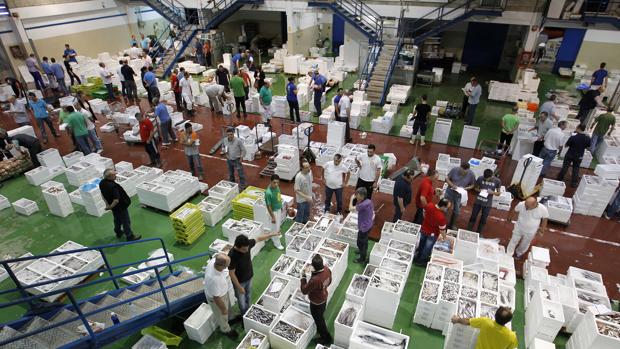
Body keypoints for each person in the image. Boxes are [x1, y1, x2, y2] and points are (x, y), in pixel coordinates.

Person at [228, 232, 279, 315]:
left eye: (247, 248)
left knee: (248, 295)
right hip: (240, 282)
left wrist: (271, 235)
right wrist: (239, 287)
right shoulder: (232, 256)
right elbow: (231, 273)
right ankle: (244, 315)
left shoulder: (247, 244)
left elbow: (258, 238)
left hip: (249, 277)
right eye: (244, 249)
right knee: (242, 302)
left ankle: (249, 312)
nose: (247, 250)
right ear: (237, 247)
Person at [203, 253, 238, 339]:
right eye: (227, 266)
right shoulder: (213, 279)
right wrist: (223, 309)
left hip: (222, 292)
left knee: (227, 309)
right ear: (221, 265)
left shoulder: (213, 262)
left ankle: (230, 318)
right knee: (221, 315)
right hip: (217, 299)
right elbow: (216, 298)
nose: (228, 267)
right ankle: (225, 329)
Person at [100, 169, 141, 241]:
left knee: (117, 219)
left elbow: (103, 195)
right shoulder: (113, 186)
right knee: (126, 221)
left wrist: (108, 205)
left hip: (114, 208)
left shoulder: (102, 183)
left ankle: (118, 232)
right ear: (109, 177)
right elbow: (116, 200)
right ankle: (129, 236)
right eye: (114, 175)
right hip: (120, 207)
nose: (116, 176)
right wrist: (110, 207)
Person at [300, 254, 333, 346]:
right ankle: (321, 331)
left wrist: (303, 277)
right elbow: (330, 281)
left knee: (319, 320)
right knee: (320, 316)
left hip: (316, 303)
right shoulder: (327, 269)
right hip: (324, 297)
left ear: (315, 267)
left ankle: (326, 338)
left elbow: (304, 290)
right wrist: (322, 287)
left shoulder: (315, 280)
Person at [450, 307, 518, 349]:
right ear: (508, 321)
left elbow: (468, 322)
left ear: (495, 314)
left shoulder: (485, 322)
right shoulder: (512, 336)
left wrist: (457, 319)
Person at [413, 198, 450, 266]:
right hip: (432, 234)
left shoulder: (429, 205)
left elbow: (424, 212)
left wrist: (427, 220)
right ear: (443, 206)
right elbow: (442, 230)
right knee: (427, 248)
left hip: (424, 229)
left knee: (421, 244)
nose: (447, 209)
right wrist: (444, 238)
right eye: (447, 208)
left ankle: (418, 256)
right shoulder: (441, 217)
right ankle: (421, 261)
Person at [467, 169, 501, 235]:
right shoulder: (480, 178)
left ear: (492, 176)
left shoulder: (497, 181)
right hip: (478, 201)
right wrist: (480, 190)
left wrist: (492, 192)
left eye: (487, 179)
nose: (485, 180)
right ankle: (469, 230)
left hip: (487, 204)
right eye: (484, 179)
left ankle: (479, 233)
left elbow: (498, 193)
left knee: (483, 218)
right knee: (473, 216)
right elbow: (475, 188)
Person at [445, 163, 476, 229]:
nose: (462, 174)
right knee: (445, 207)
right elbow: (447, 178)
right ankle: (442, 222)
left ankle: (452, 224)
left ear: (468, 170)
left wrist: (465, 188)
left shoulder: (471, 174)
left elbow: (473, 185)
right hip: (450, 192)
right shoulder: (454, 169)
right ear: (460, 168)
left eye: (464, 173)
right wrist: (452, 184)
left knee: (457, 210)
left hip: (460, 195)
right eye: (461, 171)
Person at [350, 187, 374, 264]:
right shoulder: (368, 201)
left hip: (364, 227)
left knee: (360, 243)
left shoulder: (363, 204)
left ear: (362, 196)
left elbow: (350, 208)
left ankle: (362, 258)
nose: (356, 196)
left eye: (357, 195)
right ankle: (362, 251)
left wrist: (351, 199)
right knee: (365, 240)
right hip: (369, 225)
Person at [264, 174, 285, 250]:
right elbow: (268, 206)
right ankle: (277, 243)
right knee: (274, 228)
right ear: (270, 181)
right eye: (274, 182)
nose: (276, 184)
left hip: (278, 209)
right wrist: (272, 216)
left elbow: (278, 196)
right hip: (273, 212)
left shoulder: (277, 187)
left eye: (277, 183)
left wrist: (281, 206)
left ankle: (276, 234)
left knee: (278, 225)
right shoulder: (268, 193)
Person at [294, 159, 314, 224]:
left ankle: (305, 224)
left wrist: (311, 193)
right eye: (306, 168)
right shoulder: (298, 177)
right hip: (301, 200)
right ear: (302, 168)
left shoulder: (310, 172)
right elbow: (296, 190)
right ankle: (297, 226)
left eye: (309, 166)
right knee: (300, 216)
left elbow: (310, 183)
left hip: (308, 199)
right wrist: (307, 197)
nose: (309, 169)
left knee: (306, 214)